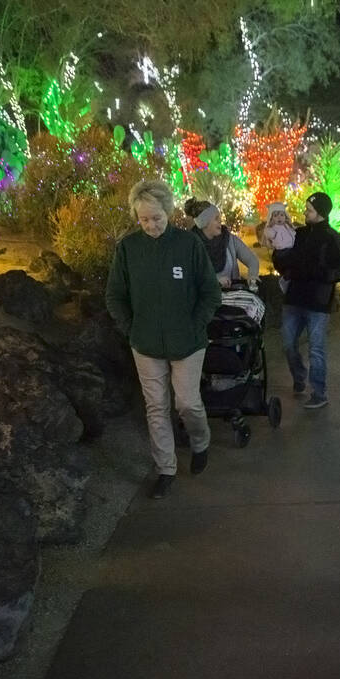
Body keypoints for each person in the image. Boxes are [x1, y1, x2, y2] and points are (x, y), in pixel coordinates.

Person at [106, 179, 222, 499]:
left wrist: (195, 325)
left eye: (156, 218)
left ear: (168, 212)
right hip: (145, 343)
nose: (151, 225)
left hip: (187, 341)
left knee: (186, 402)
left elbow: (210, 293)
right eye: (144, 219)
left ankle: (200, 442)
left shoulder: (188, 245)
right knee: (156, 406)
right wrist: (130, 328)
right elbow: (114, 296)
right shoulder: (128, 249)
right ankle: (166, 468)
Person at [273, 191, 340, 409]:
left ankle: (319, 391)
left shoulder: (333, 238)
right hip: (294, 297)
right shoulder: (299, 234)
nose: (306, 212)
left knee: (316, 348)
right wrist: (280, 257)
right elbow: (286, 259)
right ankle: (298, 377)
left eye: (310, 210)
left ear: (321, 213)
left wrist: (322, 275)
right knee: (288, 342)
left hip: (317, 301)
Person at [185, 198, 260, 290]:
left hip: (232, 296)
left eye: (220, 218)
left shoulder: (229, 239)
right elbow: (188, 277)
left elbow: (252, 260)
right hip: (205, 300)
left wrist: (252, 276)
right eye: (216, 218)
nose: (220, 221)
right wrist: (215, 281)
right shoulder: (191, 245)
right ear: (205, 223)